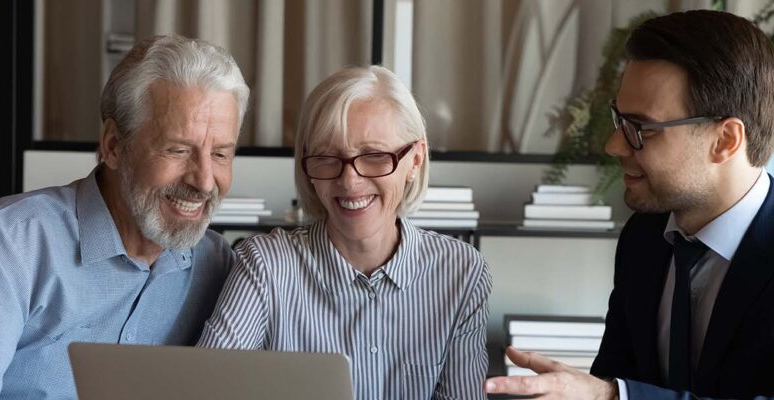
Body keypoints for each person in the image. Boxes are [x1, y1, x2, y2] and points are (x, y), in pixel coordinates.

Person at [486, 9, 774, 399]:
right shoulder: (644, 238)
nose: (614, 145)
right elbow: (614, 377)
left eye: (642, 129)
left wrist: (610, 396)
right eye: (619, 120)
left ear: (725, 141)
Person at [0, 34, 250, 399]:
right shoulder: (9, 244)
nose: (203, 181)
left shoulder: (219, 266)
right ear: (114, 146)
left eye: (220, 154)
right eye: (178, 150)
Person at [197, 65, 492, 399]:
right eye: (327, 158)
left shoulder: (461, 272)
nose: (349, 182)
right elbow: (210, 390)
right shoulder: (266, 265)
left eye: (375, 156)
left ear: (415, 160)